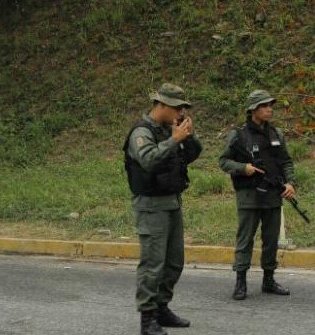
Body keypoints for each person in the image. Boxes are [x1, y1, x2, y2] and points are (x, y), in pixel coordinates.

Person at [123, 83, 202, 335]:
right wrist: (174, 139)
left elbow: (191, 155)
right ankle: (147, 319)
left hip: (172, 202)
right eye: (177, 108)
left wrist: (186, 137)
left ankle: (161, 307)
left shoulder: (170, 130)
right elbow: (147, 159)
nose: (180, 112)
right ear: (161, 105)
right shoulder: (141, 132)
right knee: (152, 265)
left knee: (174, 262)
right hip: (151, 206)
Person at [219, 89, 296, 301]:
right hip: (249, 196)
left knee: (271, 240)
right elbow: (224, 161)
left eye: (270, 105)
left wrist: (290, 182)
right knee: (245, 240)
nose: (269, 109)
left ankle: (268, 280)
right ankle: (240, 281)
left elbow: (286, 162)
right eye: (264, 106)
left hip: (272, 195)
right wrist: (244, 168)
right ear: (253, 110)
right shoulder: (239, 135)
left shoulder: (276, 134)